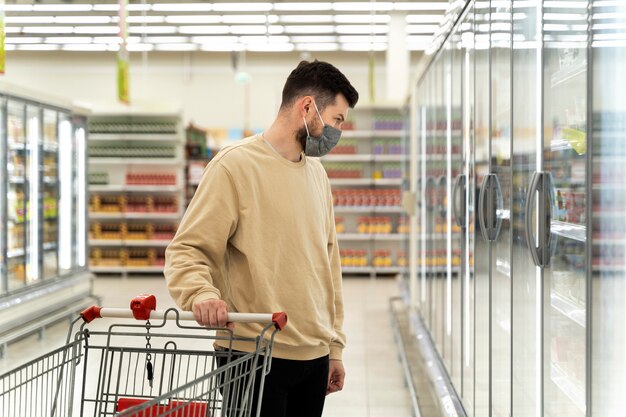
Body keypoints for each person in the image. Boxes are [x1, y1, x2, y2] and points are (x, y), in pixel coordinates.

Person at [164, 59, 359, 417]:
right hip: (252, 355)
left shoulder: (317, 175)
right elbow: (187, 249)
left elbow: (328, 267)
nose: (336, 133)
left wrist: (334, 348)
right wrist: (201, 293)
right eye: (336, 120)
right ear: (307, 108)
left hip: (312, 356)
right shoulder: (234, 166)